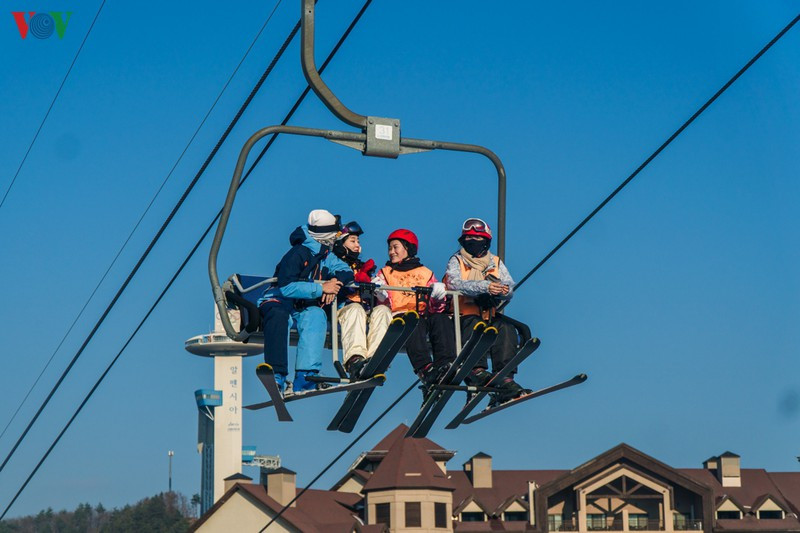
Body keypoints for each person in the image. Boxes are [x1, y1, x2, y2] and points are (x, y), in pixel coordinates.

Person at [258, 209, 355, 393]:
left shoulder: (325, 254)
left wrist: (336, 281)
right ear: (326, 236)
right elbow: (286, 287)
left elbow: (345, 269)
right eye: (334, 235)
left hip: (301, 305)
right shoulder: (298, 253)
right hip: (278, 300)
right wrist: (321, 289)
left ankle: (306, 375)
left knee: (316, 314)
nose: (335, 239)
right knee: (278, 316)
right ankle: (277, 374)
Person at [443, 217, 528, 403]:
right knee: (476, 326)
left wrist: (502, 290)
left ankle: (505, 376)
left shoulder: (495, 262)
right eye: (469, 239)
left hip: (487, 315)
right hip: (463, 316)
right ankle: (476, 369)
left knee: (506, 329)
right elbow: (454, 283)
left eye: (478, 239)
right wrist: (484, 287)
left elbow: (509, 286)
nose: (473, 243)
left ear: (486, 241)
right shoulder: (457, 260)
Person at [373, 229, 455, 389]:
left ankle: (446, 363)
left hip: (424, 315)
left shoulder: (425, 273)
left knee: (441, 319)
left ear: (408, 248)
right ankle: (424, 368)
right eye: (390, 248)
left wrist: (438, 297)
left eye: (395, 247)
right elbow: (382, 305)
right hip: (400, 316)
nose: (391, 252)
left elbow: (436, 308)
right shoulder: (385, 273)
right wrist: (381, 295)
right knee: (413, 323)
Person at [331, 221, 393, 378]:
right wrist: (353, 283)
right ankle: (355, 359)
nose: (357, 245)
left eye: (358, 241)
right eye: (352, 241)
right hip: (343, 308)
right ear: (340, 244)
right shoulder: (333, 263)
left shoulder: (362, 267)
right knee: (355, 309)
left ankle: (376, 357)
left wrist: (374, 289)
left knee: (383, 310)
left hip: (366, 308)